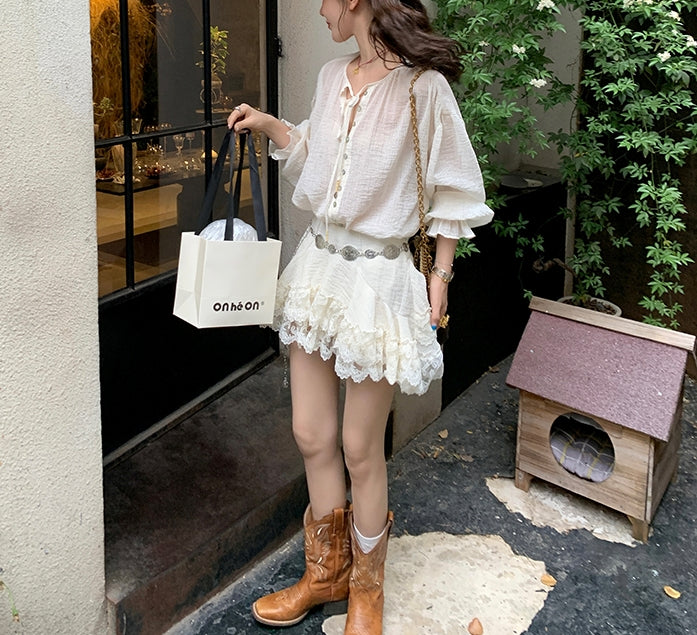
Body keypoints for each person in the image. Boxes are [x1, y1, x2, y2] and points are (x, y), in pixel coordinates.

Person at [227, 1, 493, 632]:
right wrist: (270, 125)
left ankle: (367, 589)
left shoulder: (424, 89)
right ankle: (326, 574)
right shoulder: (331, 77)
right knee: (310, 433)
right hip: (319, 270)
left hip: (377, 281)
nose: (321, 10)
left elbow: (454, 189)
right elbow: (317, 158)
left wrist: (440, 277)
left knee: (360, 446)